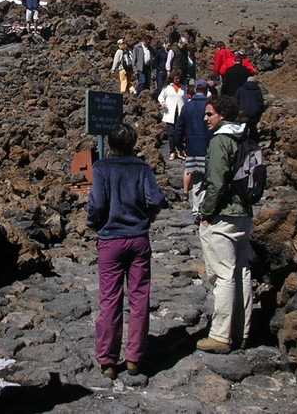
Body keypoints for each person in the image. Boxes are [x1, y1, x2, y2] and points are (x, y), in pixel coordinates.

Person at [86, 123, 165, 379]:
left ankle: (108, 360)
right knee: (139, 299)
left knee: (110, 300)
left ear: (110, 144)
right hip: (138, 238)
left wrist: (94, 223)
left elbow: (97, 202)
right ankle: (134, 359)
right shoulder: (142, 168)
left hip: (111, 239)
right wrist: (146, 218)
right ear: (133, 143)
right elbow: (156, 199)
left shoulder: (101, 168)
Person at [197, 96, 252, 354]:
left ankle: (220, 335)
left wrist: (205, 213)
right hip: (244, 214)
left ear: (222, 115)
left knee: (223, 275)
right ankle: (242, 331)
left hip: (224, 216)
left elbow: (216, 182)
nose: (205, 118)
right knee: (242, 272)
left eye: (210, 114)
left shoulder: (221, 140)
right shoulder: (244, 136)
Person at [173, 79, 213, 223]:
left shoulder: (187, 107)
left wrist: (179, 146)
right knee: (208, 179)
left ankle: (196, 208)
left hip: (192, 146)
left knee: (196, 179)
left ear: (195, 89)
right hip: (208, 146)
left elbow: (179, 128)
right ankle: (205, 208)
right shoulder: (209, 106)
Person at [157, 70, 186, 160]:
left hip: (180, 113)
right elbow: (160, 96)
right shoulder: (167, 88)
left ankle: (180, 150)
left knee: (179, 133)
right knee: (170, 134)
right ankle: (172, 151)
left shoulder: (183, 88)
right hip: (170, 112)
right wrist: (162, 102)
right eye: (176, 77)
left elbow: (186, 99)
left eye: (179, 77)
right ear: (173, 77)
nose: (177, 79)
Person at [235, 75, 266, 142]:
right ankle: (254, 143)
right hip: (254, 113)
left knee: (243, 128)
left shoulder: (240, 89)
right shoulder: (257, 90)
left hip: (243, 113)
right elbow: (260, 103)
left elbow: (236, 101)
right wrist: (259, 112)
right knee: (253, 128)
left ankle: (243, 143)